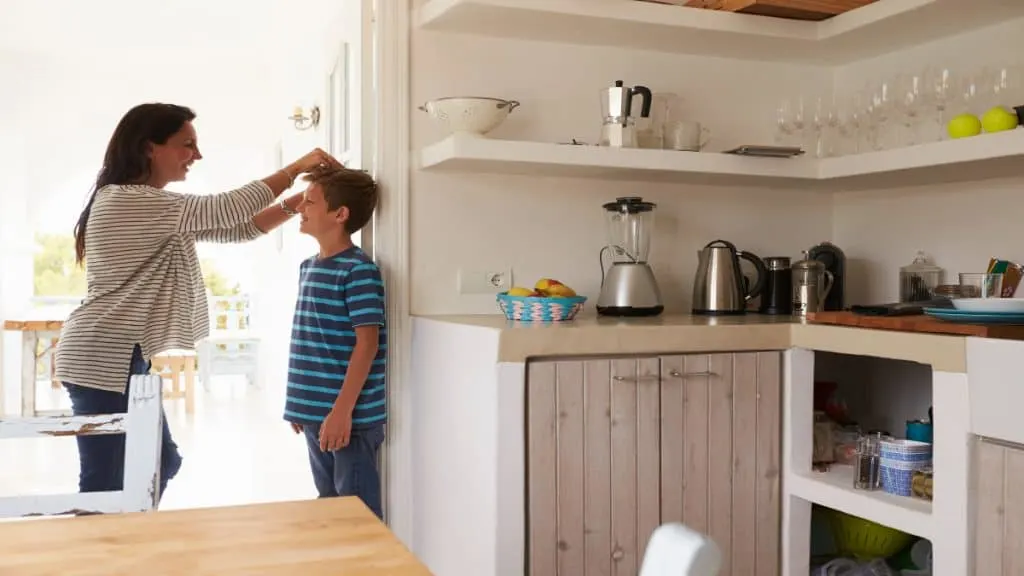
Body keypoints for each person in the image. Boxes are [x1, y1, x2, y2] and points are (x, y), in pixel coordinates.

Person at [54, 102, 343, 502]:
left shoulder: (156, 208)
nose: (197, 155)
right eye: (186, 144)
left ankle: (125, 543)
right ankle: (101, 557)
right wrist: (295, 169)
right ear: (148, 147)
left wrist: (298, 201)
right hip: (100, 353)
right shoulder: (127, 199)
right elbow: (229, 207)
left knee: (159, 462)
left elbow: (239, 228)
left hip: (122, 355)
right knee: (106, 479)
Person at [282, 166, 386, 519]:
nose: (300, 208)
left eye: (309, 202)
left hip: (348, 421)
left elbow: (367, 345)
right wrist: (301, 404)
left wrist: (341, 413)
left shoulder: (358, 271)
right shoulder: (307, 267)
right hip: (316, 415)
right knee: (328, 504)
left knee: (356, 514)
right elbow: (310, 339)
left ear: (340, 214)